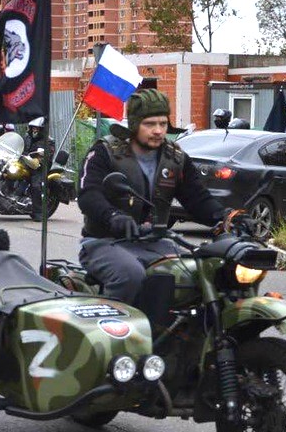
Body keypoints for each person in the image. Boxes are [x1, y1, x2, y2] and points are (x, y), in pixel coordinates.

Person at [77, 89, 250, 305]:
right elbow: (88, 194)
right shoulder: (106, 151)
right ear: (134, 124)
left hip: (155, 241)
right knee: (130, 276)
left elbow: (197, 198)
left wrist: (227, 216)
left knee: (200, 273)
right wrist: (113, 216)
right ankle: (114, 332)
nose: (158, 131)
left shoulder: (175, 158)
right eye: (150, 124)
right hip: (105, 242)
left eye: (163, 123)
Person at [22, 117, 55, 221]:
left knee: (36, 186)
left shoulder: (48, 141)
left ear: (42, 129)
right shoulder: (27, 137)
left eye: (37, 128)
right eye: (33, 128)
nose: (34, 130)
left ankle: (38, 212)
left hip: (39, 167)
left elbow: (48, 155)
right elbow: (20, 147)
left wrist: (39, 160)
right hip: (24, 162)